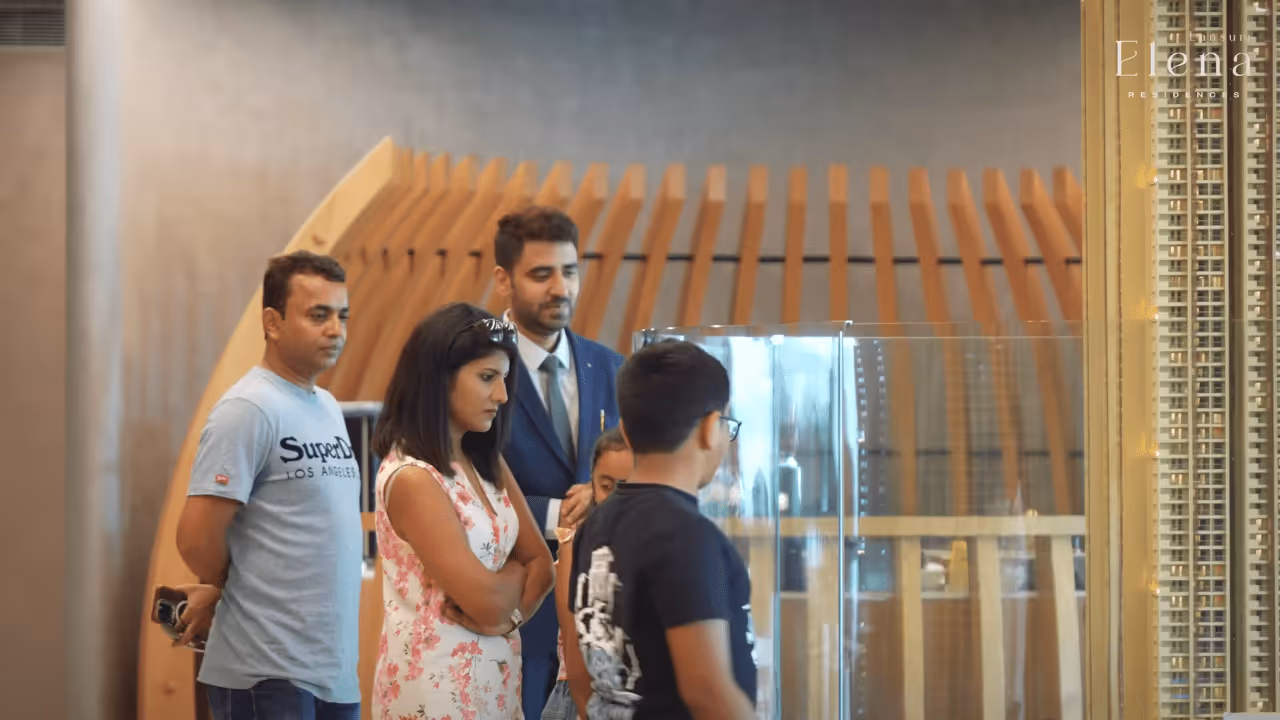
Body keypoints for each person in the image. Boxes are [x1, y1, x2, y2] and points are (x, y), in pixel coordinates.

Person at [175, 250, 363, 719]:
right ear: (273, 323)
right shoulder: (248, 409)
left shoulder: (327, 406)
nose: (336, 330)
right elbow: (196, 539)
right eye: (318, 315)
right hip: (266, 673)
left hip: (333, 674)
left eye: (342, 316)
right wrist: (234, 589)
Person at [369, 302, 555, 720]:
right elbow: (486, 602)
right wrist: (511, 586)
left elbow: (544, 564)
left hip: (497, 683)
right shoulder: (415, 479)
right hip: (436, 694)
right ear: (438, 379)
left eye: (504, 379)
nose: (502, 396)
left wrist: (507, 618)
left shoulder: (484, 458)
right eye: (487, 378)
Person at [565, 340, 758, 720]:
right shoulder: (687, 535)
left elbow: (583, 666)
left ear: (627, 432)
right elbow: (708, 694)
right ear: (708, 428)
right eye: (726, 425)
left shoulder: (596, 522)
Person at [491, 205, 625, 718]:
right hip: (512, 615)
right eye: (541, 274)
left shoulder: (612, 367)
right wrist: (567, 515)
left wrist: (608, 497)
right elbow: (456, 488)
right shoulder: (475, 367)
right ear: (504, 279)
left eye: (569, 272)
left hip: (604, 624)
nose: (560, 288)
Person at [544, 428, 632, 720]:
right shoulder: (576, 543)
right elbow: (572, 639)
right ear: (590, 484)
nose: (615, 499)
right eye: (606, 486)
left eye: (627, 487)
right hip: (581, 699)